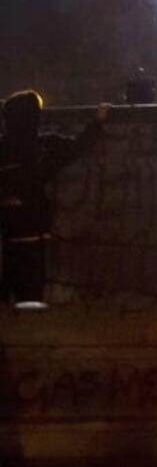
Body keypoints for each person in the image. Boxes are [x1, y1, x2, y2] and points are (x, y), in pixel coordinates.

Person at [0, 92, 107, 306]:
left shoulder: (4, 149)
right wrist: (98, 121)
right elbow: (78, 146)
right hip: (32, 232)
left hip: (6, 235)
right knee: (30, 294)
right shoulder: (42, 148)